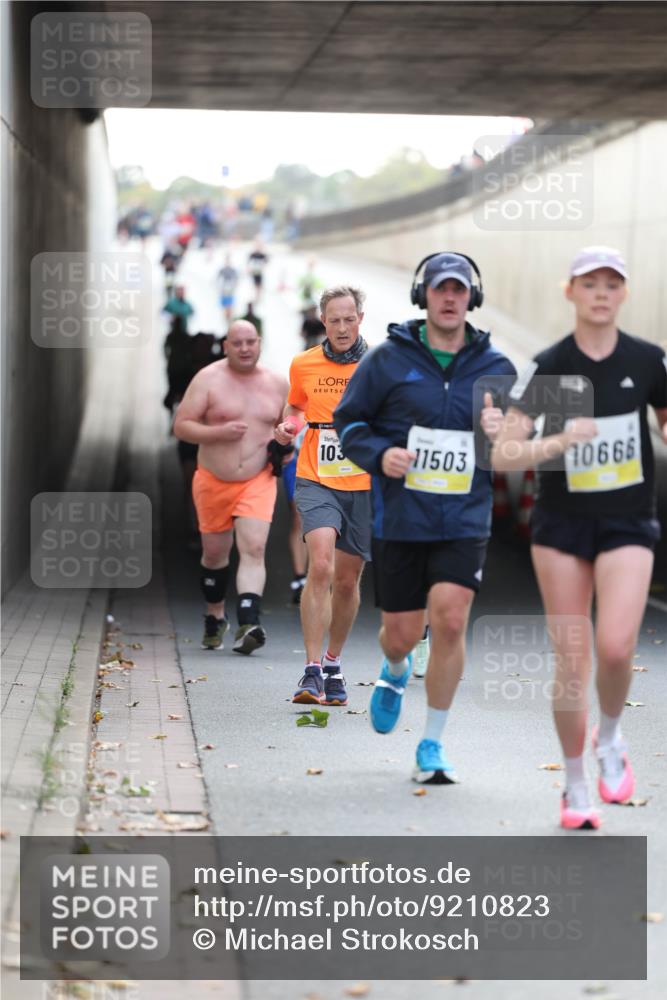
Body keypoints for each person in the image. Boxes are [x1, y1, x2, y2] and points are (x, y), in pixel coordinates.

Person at [492, 246, 667, 830]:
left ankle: (610, 737)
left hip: (628, 520)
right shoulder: (553, 368)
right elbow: (505, 451)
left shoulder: (646, 361)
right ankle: (575, 788)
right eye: (588, 283)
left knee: (616, 648)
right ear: (569, 292)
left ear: (624, 294)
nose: (600, 292)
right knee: (573, 662)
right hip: (562, 525)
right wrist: (557, 444)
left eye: (611, 283)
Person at [334, 253, 516, 783]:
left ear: (472, 298)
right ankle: (394, 670)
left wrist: (500, 430)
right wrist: (378, 455)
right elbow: (349, 422)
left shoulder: (496, 368)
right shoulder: (388, 359)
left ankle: (431, 744)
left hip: (464, 516)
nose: (451, 297)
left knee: (452, 619)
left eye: (460, 289)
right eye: (441, 289)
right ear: (424, 295)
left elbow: (509, 448)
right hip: (401, 518)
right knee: (402, 635)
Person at [274, 287, 372, 707]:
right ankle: (311, 669)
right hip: (316, 477)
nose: (343, 327)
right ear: (324, 321)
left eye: (349, 319)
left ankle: (333, 663)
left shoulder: (378, 365)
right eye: (335, 320)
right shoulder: (304, 364)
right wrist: (288, 428)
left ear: (360, 319)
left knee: (348, 582)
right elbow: (294, 409)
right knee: (322, 564)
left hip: (364, 483)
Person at [174, 321, 289, 653]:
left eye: (250, 342)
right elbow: (181, 426)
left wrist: (286, 440)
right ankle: (215, 616)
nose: (244, 348)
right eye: (237, 343)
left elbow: (293, 422)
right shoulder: (208, 379)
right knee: (214, 554)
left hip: (258, 479)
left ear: (260, 343)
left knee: (253, 547)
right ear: (226, 346)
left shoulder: (277, 382)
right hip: (213, 479)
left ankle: (249, 622)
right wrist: (217, 433)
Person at [218, 255, 239, 329]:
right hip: (224, 292)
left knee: (230, 307)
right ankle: (226, 323)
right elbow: (218, 280)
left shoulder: (233, 270)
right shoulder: (222, 270)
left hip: (230, 292)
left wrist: (233, 287)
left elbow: (236, 280)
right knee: (225, 308)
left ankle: (229, 323)